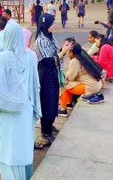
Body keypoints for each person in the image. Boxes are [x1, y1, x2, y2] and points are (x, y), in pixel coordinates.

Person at [0, 22, 41, 179]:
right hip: (25, 111)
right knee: (22, 152)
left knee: (9, 155)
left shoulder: (2, 57)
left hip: (8, 113)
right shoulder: (30, 57)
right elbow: (36, 86)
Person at [35, 14, 71, 144]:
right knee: (47, 103)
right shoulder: (40, 41)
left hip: (52, 74)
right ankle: (45, 132)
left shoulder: (50, 37)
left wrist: (63, 48)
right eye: (52, 23)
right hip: (45, 76)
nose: (54, 25)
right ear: (45, 24)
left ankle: (49, 126)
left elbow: (55, 54)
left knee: (53, 102)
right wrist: (64, 51)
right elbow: (48, 61)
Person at [58, 43, 103, 116]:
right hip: (97, 84)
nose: (67, 53)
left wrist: (65, 76)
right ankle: (69, 103)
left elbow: (71, 77)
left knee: (64, 85)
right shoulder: (83, 56)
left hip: (89, 87)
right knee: (69, 84)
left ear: (71, 52)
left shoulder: (74, 61)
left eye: (67, 52)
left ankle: (63, 109)